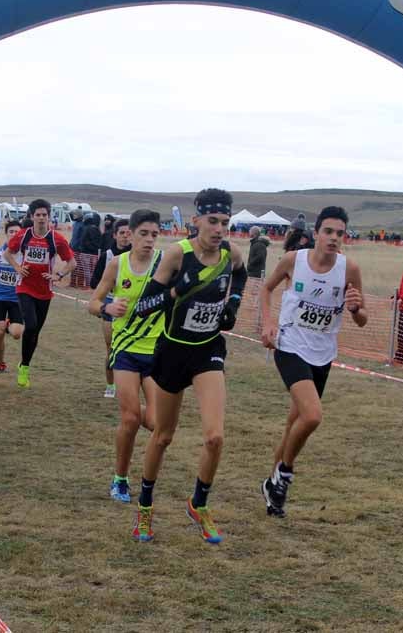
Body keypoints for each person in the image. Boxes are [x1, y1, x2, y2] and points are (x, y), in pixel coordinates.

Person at [129, 188, 247, 544]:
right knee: (163, 436)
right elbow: (144, 306)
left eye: (225, 222)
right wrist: (177, 291)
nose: (219, 229)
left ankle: (199, 504)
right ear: (195, 221)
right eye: (212, 221)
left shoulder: (230, 253)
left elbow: (241, 274)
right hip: (172, 353)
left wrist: (234, 304)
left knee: (215, 437)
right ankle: (145, 507)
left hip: (207, 350)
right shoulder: (176, 255)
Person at [258, 206, 366, 519]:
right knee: (313, 416)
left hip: (323, 353)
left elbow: (361, 319)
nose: (334, 238)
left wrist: (357, 309)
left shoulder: (349, 269)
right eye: (328, 231)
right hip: (290, 345)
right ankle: (285, 474)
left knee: (296, 422)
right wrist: (267, 324)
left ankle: (272, 487)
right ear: (316, 233)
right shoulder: (295, 260)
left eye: (340, 233)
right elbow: (266, 289)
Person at [89, 209, 163, 503]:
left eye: (154, 235)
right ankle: (120, 478)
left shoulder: (164, 263)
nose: (148, 240)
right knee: (131, 418)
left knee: (158, 424)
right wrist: (107, 308)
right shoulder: (117, 265)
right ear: (130, 234)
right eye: (143, 234)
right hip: (126, 350)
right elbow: (92, 302)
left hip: (157, 351)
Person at [4, 199, 76, 388]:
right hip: (24, 286)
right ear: (32, 216)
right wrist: (18, 268)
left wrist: (58, 274)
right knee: (31, 324)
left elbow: (72, 262)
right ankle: (24, 368)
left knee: (35, 331)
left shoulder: (56, 238)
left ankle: (24, 365)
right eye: (38, 215)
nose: (42, 218)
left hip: (44, 290)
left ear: (49, 217)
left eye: (45, 215)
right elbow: (7, 254)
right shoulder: (23, 235)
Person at [90, 218, 131, 398]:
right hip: (109, 306)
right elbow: (93, 283)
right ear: (115, 235)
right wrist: (110, 284)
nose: (125, 236)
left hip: (131, 308)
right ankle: (110, 385)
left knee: (130, 348)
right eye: (122, 233)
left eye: (129, 233)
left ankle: (129, 385)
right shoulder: (107, 256)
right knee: (111, 348)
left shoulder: (138, 257)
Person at [0, 221, 26, 373]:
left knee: (17, 334)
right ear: (6, 233)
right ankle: (1, 363)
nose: (13, 234)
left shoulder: (25, 255)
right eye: (11, 231)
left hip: (17, 298)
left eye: (16, 232)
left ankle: (8, 323)